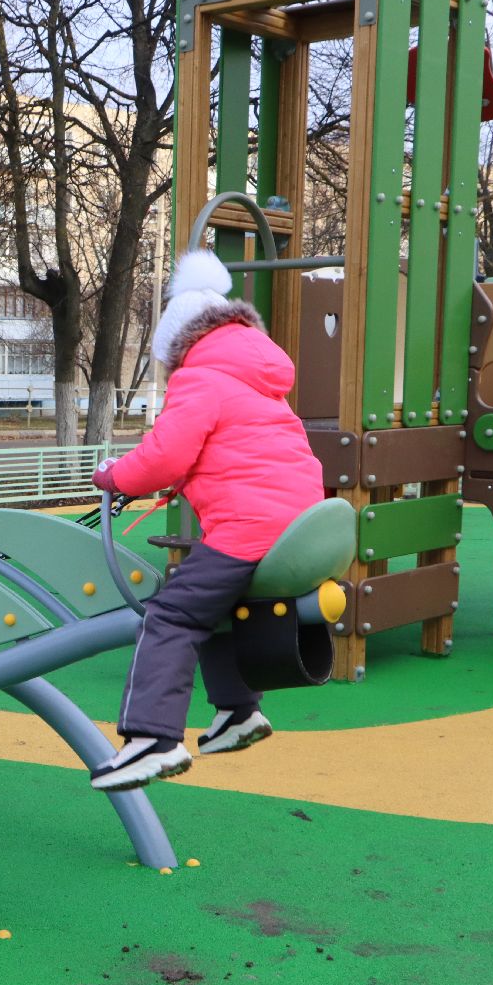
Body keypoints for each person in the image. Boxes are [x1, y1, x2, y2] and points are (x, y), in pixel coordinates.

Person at [87, 249, 324, 792]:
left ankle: (153, 740)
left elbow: (164, 456)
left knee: (170, 615)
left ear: (179, 342)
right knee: (213, 605)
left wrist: (115, 476)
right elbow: (236, 455)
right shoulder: (260, 384)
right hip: (300, 528)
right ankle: (239, 712)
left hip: (250, 526)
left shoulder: (200, 378)